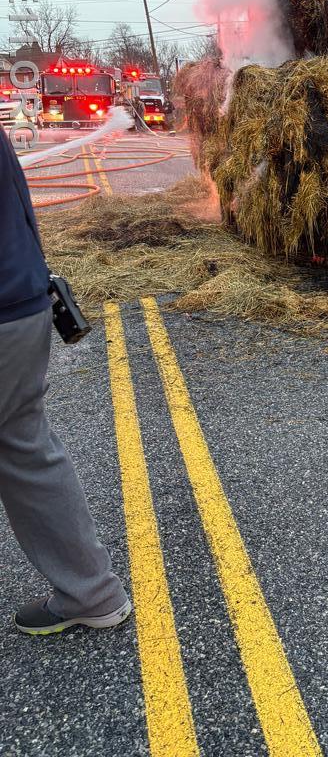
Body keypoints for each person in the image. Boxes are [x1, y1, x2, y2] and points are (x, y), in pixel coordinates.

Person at [0, 127, 131, 635]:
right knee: (25, 448)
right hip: (22, 303)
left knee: (24, 448)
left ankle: (91, 591)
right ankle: (91, 592)